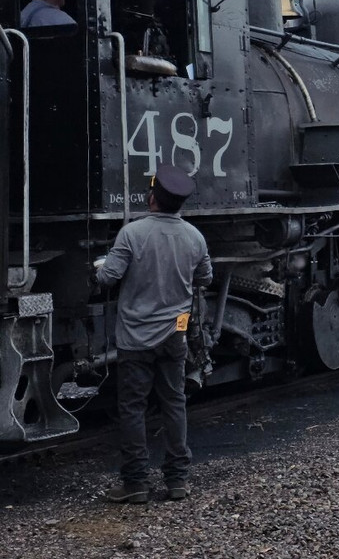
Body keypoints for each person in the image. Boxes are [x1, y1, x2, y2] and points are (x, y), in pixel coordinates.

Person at [96, 165, 212, 504]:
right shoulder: (194, 236)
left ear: (151, 198)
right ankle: (177, 480)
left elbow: (107, 279)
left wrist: (101, 269)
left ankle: (136, 484)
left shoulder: (132, 234)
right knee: (174, 403)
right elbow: (204, 278)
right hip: (175, 333)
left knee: (132, 408)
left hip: (135, 338)